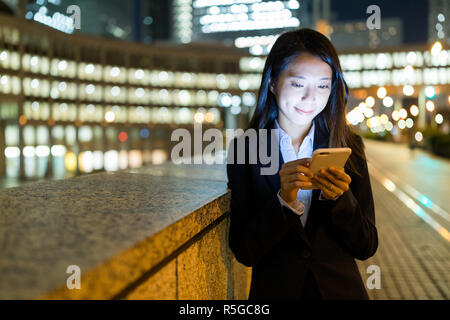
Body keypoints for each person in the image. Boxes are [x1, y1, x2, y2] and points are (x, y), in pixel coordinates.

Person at [226, 28, 378, 300]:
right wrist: (282, 202)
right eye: (298, 84)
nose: (311, 98)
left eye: (322, 85)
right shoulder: (245, 149)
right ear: (272, 81)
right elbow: (244, 251)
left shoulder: (349, 147)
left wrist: (341, 200)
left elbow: (366, 246)